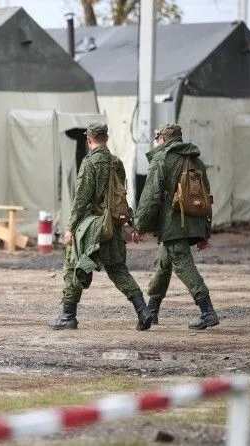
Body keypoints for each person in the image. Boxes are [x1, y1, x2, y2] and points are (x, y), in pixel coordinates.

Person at [48, 123, 153, 331]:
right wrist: (128, 224)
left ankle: (68, 316)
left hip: (92, 227)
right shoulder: (116, 163)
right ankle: (143, 310)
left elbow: (82, 199)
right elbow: (121, 195)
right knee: (118, 269)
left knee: (74, 265)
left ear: (89, 140)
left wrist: (70, 228)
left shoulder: (90, 163)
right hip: (112, 227)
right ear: (106, 137)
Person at [133, 123, 219, 330]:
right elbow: (206, 197)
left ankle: (207, 312)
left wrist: (140, 226)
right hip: (193, 221)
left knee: (182, 264)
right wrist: (205, 231)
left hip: (173, 224)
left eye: (157, 139)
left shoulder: (162, 159)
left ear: (162, 138)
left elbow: (151, 197)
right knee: (163, 263)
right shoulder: (196, 159)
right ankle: (152, 310)